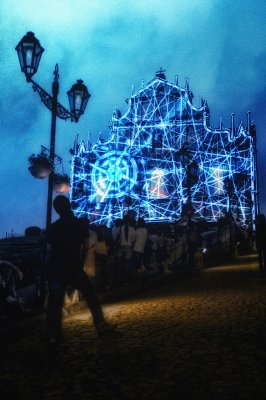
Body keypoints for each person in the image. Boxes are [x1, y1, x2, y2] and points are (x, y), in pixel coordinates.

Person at [44, 195, 116, 346]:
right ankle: (101, 326)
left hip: (57, 268)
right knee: (91, 295)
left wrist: (46, 269)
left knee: (54, 303)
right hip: (74, 267)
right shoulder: (80, 224)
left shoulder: (53, 228)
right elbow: (85, 247)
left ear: (57, 210)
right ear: (69, 205)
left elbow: (49, 251)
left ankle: (52, 335)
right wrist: (80, 265)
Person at [117, 214, 136, 285]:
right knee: (127, 264)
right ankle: (125, 280)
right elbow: (133, 239)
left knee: (120, 264)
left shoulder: (120, 228)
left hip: (121, 246)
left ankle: (119, 280)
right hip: (129, 246)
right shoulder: (132, 229)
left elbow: (118, 237)